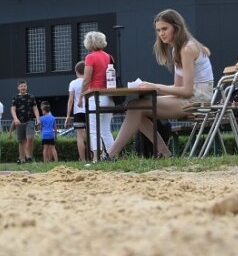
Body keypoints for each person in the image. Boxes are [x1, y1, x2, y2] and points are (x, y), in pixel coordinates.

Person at [106, 10, 214, 159]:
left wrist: (156, 87)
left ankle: (111, 155)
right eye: (158, 30)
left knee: (137, 107)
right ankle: (164, 153)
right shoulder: (178, 49)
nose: (161, 33)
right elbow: (178, 89)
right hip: (193, 97)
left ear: (176, 27)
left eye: (165, 29)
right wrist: (153, 90)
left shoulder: (187, 49)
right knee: (134, 106)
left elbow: (187, 91)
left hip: (199, 99)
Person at [79, 31, 115, 162]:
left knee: (93, 129)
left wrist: (81, 97)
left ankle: (96, 157)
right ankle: (113, 155)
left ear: (89, 43)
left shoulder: (90, 57)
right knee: (106, 129)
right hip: (109, 96)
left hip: (95, 96)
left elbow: (86, 79)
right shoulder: (109, 56)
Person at [11, 80, 40, 164]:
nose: (23, 87)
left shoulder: (31, 97)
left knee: (30, 138)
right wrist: (15, 119)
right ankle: (22, 159)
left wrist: (38, 119)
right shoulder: (15, 98)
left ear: (26, 87)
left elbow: (35, 108)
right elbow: (13, 109)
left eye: (24, 86)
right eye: (21, 86)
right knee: (21, 141)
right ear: (18, 88)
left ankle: (29, 157)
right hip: (19, 122)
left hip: (30, 120)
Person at [64, 61, 88, 162]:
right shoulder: (89, 81)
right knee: (91, 135)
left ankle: (82, 159)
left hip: (78, 112)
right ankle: (93, 156)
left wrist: (68, 116)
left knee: (79, 136)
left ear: (76, 71)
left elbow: (70, 100)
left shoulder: (73, 83)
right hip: (90, 110)